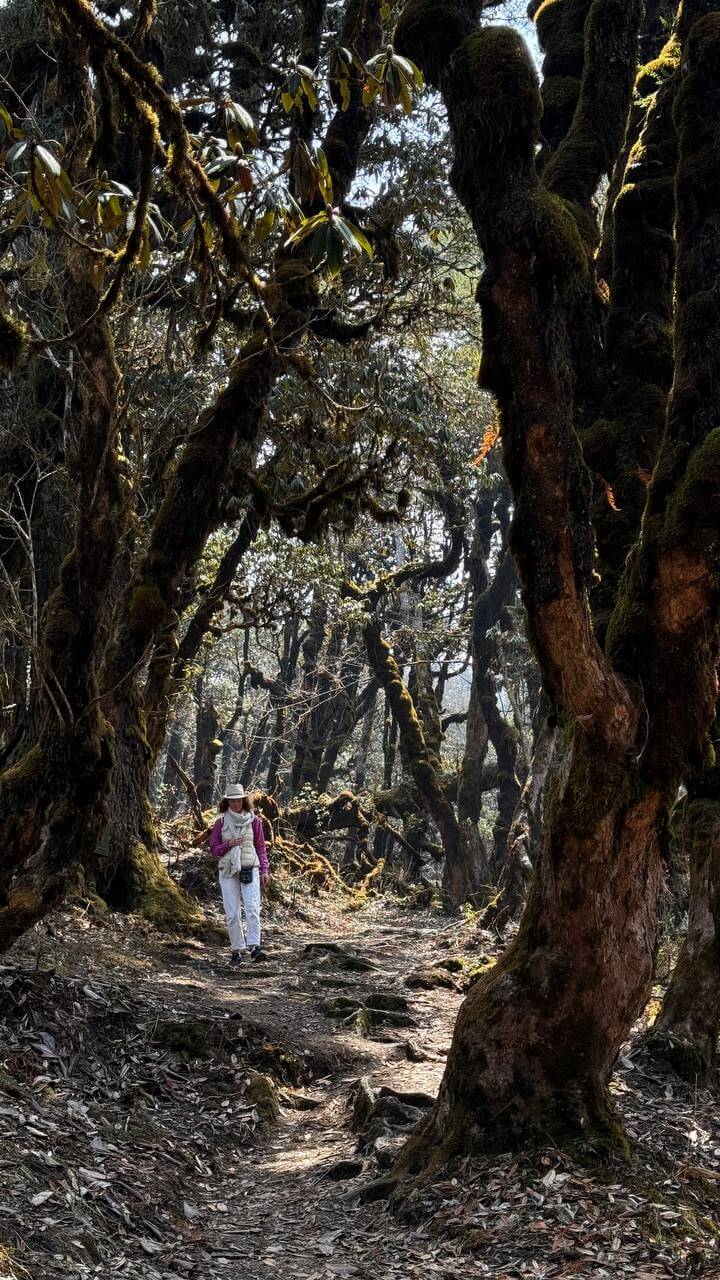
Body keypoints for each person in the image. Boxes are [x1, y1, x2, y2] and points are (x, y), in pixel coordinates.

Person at [209, 783, 269, 965]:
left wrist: (265, 869)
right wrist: (229, 844)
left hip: (251, 867)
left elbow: (260, 846)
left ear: (244, 801)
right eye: (232, 801)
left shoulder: (255, 821)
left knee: (252, 908)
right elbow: (213, 849)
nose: (236, 804)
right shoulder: (220, 823)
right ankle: (236, 950)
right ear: (227, 802)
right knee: (232, 912)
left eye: (239, 800)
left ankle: (255, 946)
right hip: (228, 870)